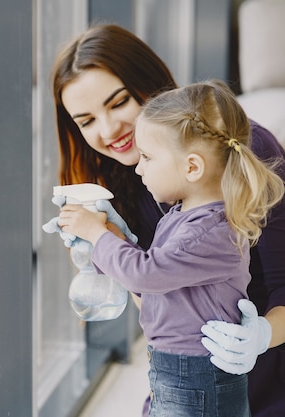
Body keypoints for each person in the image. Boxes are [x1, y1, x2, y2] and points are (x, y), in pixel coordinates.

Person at [45, 24, 285, 416]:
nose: (109, 131)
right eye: (86, 121)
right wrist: (111, 241)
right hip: (179, 372)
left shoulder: (238, 154)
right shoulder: (125, 176)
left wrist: (260, 335)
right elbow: (162, 295)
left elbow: (283, 282)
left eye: (118, 102)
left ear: (151, 88)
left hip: (262, 367)